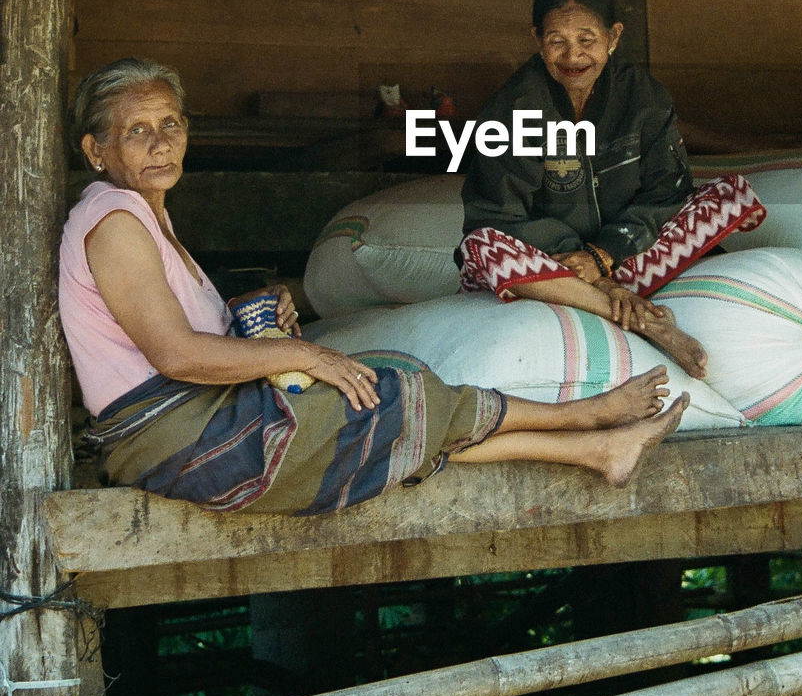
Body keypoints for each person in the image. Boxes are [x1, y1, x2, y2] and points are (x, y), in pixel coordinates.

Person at [59, 58, 686, 515]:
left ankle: (599, 450)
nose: (161, 142)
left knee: (388, 411)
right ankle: (587, 417)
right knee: (387, 397)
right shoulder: (114, 222)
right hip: (175, 439)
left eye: (170, 123)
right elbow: (176, 355)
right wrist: (307, 354)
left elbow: (187, 333)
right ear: (95, 148)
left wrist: (265, 315)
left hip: (195, 422)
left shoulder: (145, 215)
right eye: (137, 130)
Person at [460, 0, 766, 378]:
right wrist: (591, 271)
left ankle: (609, 292)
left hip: (626, 252)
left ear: (614, 37)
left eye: (587, 40)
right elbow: (498, 216)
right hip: (556, 268)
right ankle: (643, 319)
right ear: (537, 39)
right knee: (481, 247)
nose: (573, 57)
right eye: (557, 41)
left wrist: (603, 255)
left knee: (729, 195)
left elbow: (666, 192)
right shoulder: (512, 110)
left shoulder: (642, 97)